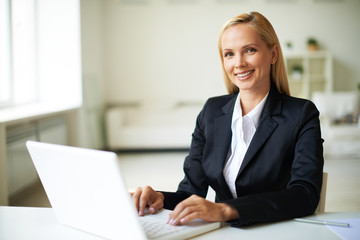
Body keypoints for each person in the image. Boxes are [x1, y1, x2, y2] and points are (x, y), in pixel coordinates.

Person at [131, 11, 324, 227]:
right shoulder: (212, 111)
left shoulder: (302, 114)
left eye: (249, 50)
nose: (239, 63)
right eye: (229, 54)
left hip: (277, 231)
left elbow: (305, 195)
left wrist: (225, 209)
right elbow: (190, 192)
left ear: (273, 53)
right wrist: (159, 198)